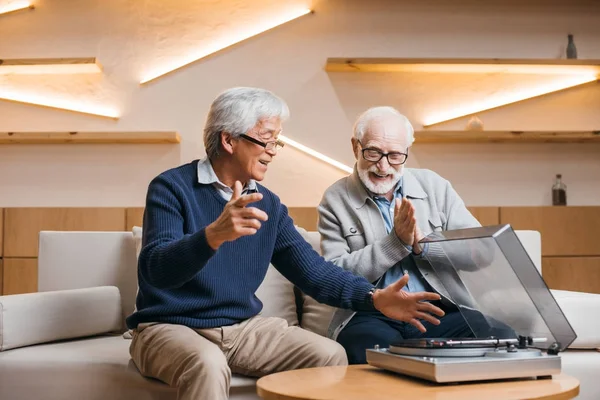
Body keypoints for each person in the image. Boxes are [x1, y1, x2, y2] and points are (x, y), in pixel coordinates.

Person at [126, 89, 446, 400]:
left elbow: (314, 273)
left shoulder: (268, 204)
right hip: (168, 328)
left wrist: (374, 298)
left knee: (329, 356)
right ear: (229, 140)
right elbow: (156, 270)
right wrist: (212, 236)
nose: (273, 150)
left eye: (276, 141)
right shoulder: (172, 187)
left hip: (241, 329)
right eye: (267, 139)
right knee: (207, 364)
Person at [317, 106, 515, 364]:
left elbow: (483, 252)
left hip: (439, 312)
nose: (383, 166)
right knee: (370, 353)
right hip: (371, 314)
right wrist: (395, 243)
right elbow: (333, 275)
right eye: (374, 152)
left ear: (407, 152)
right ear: (356, 147)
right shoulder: (335, 198)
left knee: (502, 336)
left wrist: (424, 246)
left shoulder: (435, 186)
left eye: (395, 155)